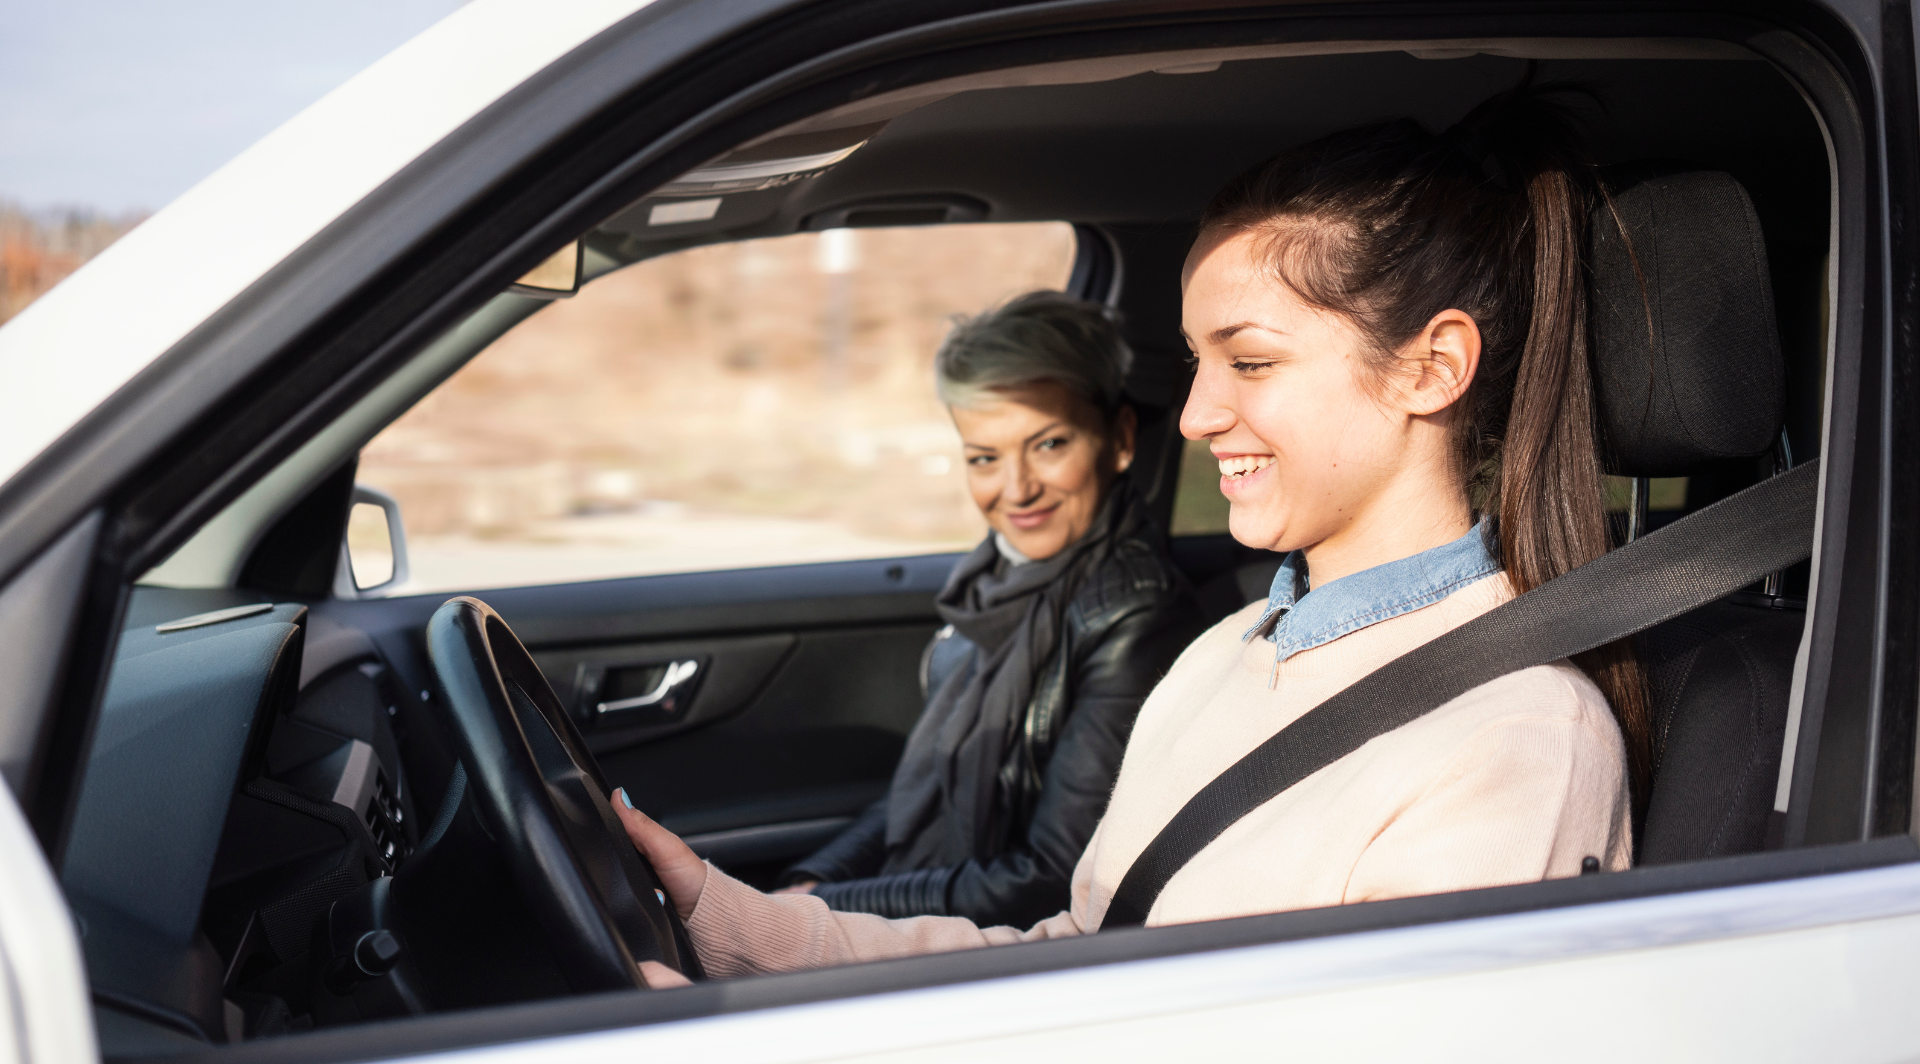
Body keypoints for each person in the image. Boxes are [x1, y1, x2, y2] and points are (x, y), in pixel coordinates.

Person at [614, 84, 1649, 985]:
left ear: (1431, 369)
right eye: (1198, 362)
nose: (1194, 416)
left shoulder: (1516, 743)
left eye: (1249, 363)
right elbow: (1076, 951)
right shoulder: (1223, 658)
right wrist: (730, 924)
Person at [770, 291, 1205, 928]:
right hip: (952, 906)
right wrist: (820, 881)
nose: (1017, 489)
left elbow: (1051, 877)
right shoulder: (997, 580)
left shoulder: (1134, 618)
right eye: (984, 458)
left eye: (1049, 444)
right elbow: (925, 786)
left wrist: (819, 912)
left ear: (1119, 439)